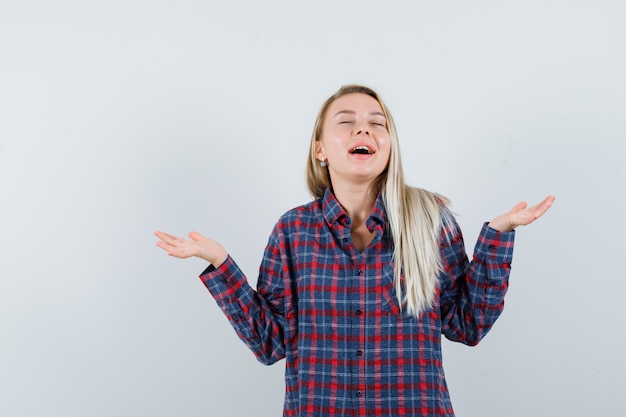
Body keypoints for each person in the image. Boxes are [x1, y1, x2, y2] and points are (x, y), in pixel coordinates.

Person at [155, 84, 555, 416]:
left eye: (376, 124)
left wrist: (499, 234)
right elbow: (269, 342)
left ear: (389, 145)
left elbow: (467, 325)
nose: (363, 131)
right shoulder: (293, 231)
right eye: (346, 123)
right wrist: (219, 263)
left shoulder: (431, 220)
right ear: (320, 150)